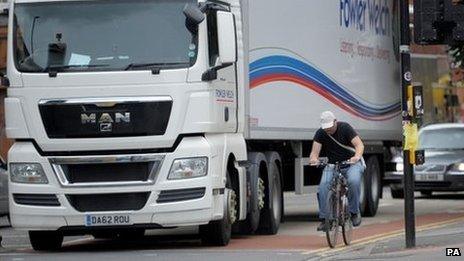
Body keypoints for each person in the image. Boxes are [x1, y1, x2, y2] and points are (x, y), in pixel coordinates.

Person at [309, 111, 365, 231]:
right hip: (333, 164)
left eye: (330, 127)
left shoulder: (345, 128)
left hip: (351, 163)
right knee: (323, 186)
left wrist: (356, 157)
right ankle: (325, 219)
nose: (328, 130)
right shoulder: (320, 133)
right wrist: (314, 160)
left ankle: (354, 212)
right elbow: (314, 153)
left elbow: (359, 145)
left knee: (354, 181)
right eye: (326, 128)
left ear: (335, 121)